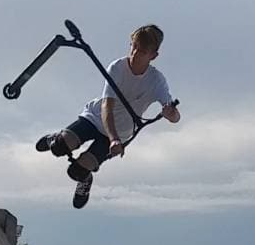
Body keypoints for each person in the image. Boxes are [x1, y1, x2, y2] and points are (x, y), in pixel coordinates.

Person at [35, 24, 181, 207]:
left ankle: (85, 179)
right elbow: (107, 107)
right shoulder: (118, 67)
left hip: (121, 134)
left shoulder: (157, 81)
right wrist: (112, 139)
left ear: (153, 56)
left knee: (77, 171)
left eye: (142, 51)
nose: (135, 54)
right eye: (133, 47)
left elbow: (175, 117)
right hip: (96, 119)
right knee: (59, 147)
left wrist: (170, 113)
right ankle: (54, 139)